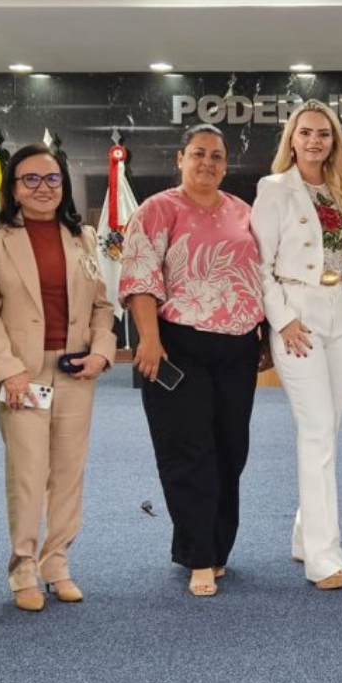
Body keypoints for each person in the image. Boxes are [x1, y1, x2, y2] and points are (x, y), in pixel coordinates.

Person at [120, 124, 264, 597]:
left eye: (217, 156)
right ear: (180, 158)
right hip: (177, 346)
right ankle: (199, 554)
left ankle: (217, 547)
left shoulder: (243, 211)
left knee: (230, 449)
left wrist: (263, 332)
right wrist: (148, 339)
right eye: (198, 153)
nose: (208, 163)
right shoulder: (157, 209)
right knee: (188, 451)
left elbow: (261, 274)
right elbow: (141, 277)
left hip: (238, 347)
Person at [0, 144, 117, 611]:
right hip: (23, 375)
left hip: (76, 371)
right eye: (30, 179)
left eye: (52, 179)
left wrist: (101, 353)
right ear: (14, 188)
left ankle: (56, 561)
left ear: (64, 185)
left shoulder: (84, 236)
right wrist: (8, 371)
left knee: (68, 471)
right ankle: (23, 567)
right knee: (28, 471)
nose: (42, 188)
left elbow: (102, 306)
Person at [251, 100, 342, 589]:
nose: (314, 141)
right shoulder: (274, 188)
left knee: (328, 432)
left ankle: (304, 534)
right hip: (299, 318)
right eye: (306, 133)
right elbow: (259, 264)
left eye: (323, 133)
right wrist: (282, 320)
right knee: (317, 432)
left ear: (333, 141)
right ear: (292, 140)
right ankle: (323, 556)